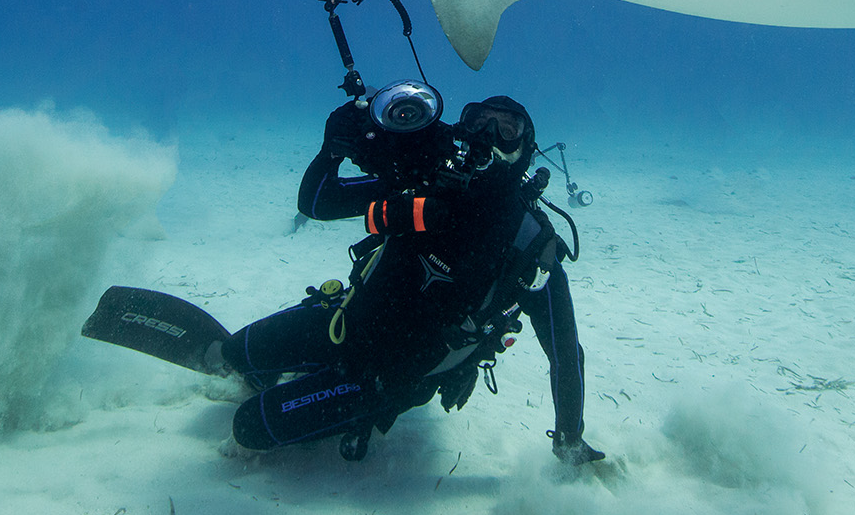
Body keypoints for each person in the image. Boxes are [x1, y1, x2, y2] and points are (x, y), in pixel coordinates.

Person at [218, 85, 604, 465]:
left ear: (525, 148)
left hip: (393, 377)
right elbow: (318, 202)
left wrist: (570, 442)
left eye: (507, 128)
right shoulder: (424, 183)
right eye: (480, 122)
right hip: (346, 323)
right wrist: (332, 148)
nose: (490, 135)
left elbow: (565, 351)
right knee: (234, 353)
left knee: (250, 426)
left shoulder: (531, 248)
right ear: (462, 129)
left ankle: (342, 395)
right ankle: (311, 373)